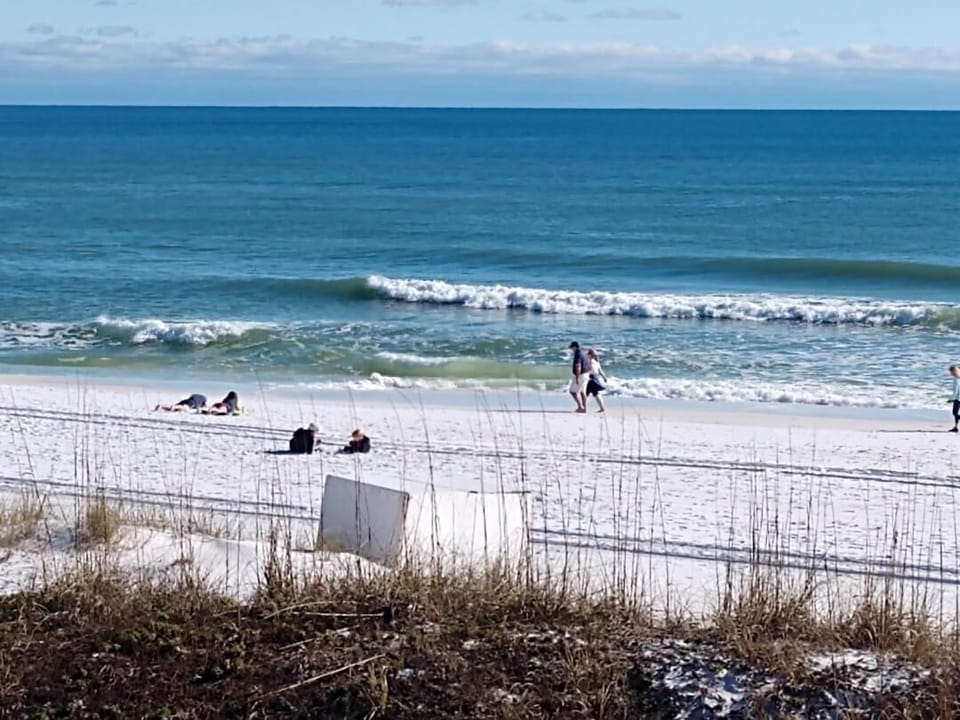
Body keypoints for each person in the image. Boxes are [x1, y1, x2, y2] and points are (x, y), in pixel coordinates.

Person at [585, 348, 608, 413]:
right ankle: (602, 408)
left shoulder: (589, 361)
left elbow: (587, 370)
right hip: (595, 378)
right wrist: (604, 377)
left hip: (590, 378)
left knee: (585, 393)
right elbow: (600, 371)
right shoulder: (596, 362)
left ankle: (583, 408)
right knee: (595, 393)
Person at [568, 341, 588, 413]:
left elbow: (578, 366)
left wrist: (577, 377)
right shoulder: (583, 353)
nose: (572, 349)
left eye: (572, 348)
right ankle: (584, 408)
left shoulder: (578, 354)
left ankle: (580, 407)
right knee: (582, 392)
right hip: (586, 374)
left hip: (580, 375)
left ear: (575, 347)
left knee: (572, 391)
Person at [950, 365, 960, 433]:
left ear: (953, 371)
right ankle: (956, 427)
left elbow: (956, 391)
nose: (950, 373)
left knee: (954, 413)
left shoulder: (956, 379)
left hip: (958, 399)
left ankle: (956, 427)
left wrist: (952, 399)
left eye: (950, 371)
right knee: (956, 413)